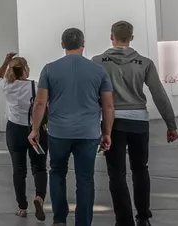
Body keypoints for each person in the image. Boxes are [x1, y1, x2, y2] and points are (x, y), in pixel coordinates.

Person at [94, 21, 178, 226]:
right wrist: (171, 124)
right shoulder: (145, 63)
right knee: (140, 169)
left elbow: (90, 94)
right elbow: (158, 94)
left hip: (112, 122)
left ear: (111, 36)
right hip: (139, 122)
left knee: (117, 173)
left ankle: (123, 221)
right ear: (131, 38)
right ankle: (143, 217)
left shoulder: (98, 62)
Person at [29, 28, 114, 226]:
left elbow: (40, 103)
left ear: (62, 44)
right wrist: (107, 132)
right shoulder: (98, 70)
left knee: (57, 171)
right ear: (83, 44)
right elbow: (108, 105)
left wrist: (34, 129)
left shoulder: (49, 69)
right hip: (88, 132)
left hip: (59, 132)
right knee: (85, 178)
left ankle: (59, 219)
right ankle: (83, 222)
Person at [0, 52, 47, 220]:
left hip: (14, 129)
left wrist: (5, 61)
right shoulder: (36, 85)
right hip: (35, 129)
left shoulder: (6, 85)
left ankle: (22, 207)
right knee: (39, 167)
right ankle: (39, 197)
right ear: (25, 69)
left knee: (19, 170)